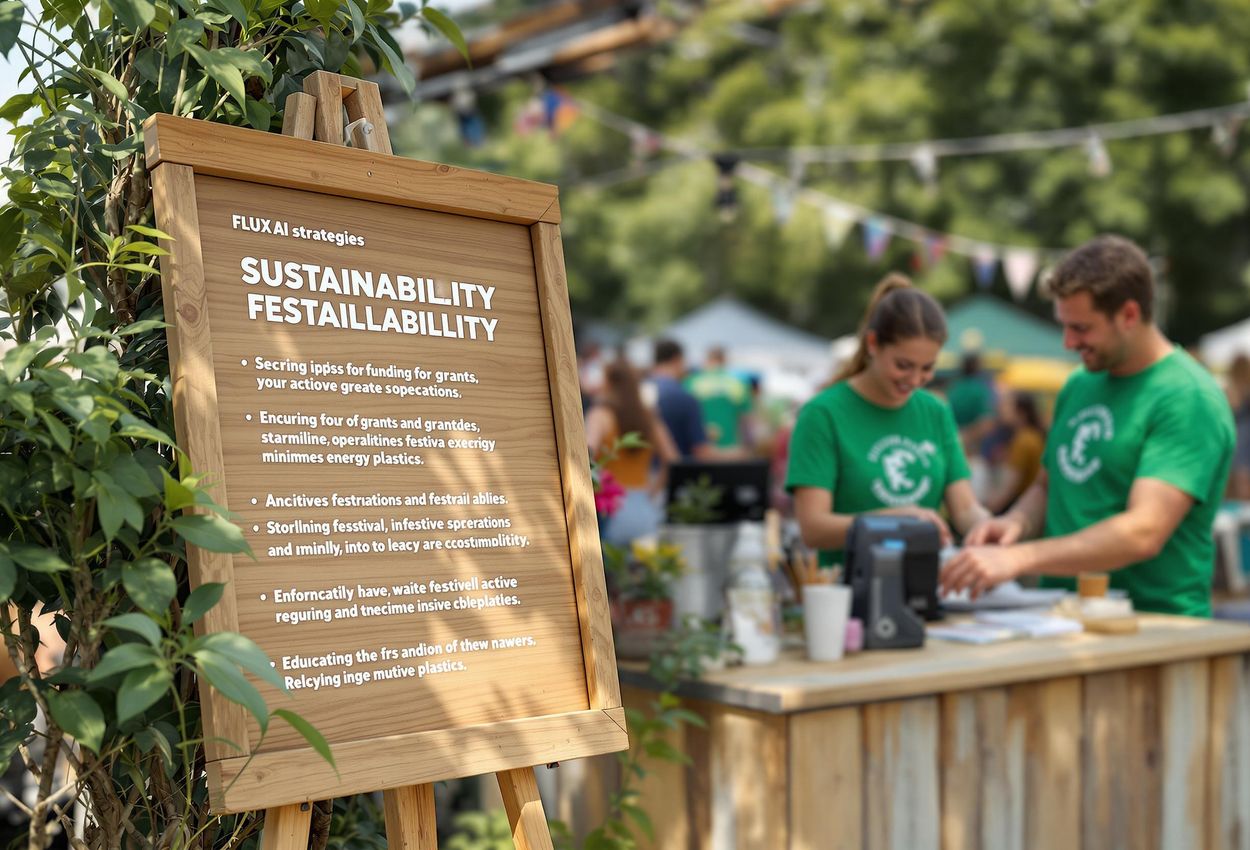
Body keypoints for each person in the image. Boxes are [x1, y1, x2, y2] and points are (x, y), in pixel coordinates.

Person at [942, 235, 1235, 617]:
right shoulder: (1080, 383)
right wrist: (1014, 522)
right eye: (1064, 326)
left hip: (1154, 630)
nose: (1067, 342)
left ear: (1129, 315)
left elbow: (1143, 532)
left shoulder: (1187, 397)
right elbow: (1050, 486)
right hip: (1060, 617)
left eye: (1081, 328)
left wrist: (1020, 557)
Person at [786, 273, 989, 563]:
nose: (916, 379)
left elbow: (965, 508)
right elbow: (814, 528)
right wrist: (891, 520)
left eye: (927, 368)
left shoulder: (936, 410)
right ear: (873, 344)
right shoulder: (823, 414)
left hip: (924, 586)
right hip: (846, 596)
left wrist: (988, 529)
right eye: (903, 365)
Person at [586, 356, 679, 546]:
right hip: (643, 505)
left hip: (610, 506)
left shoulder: (600, 415)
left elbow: (587, 455)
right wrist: (653, 491)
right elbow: (672, 459)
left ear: (608, 382)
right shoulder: (648, 416)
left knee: (609, 571)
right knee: (639, 572)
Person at [649, 338, 712, 460]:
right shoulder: (685, 398)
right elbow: (702, 451)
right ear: (676, 359)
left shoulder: (638, 392)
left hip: (636, 474)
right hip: (673, 473)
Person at [985, 391, 1046, 513]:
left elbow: (1008, 488)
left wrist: (987, 510)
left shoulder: (1024, 441)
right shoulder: (1032, 436)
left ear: (1021, 412)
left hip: (1023, 506)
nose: (1001, 409)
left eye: (1007, 405)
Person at [685, 346, 751, 451]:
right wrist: (748, 446)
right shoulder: (737, 384)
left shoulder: (691, 383)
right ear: (724, 360)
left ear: (706, 360)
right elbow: (746, 419)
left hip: (700, 446)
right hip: (730, 445)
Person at [1224, 353, 1250, 500]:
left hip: (1238, 433)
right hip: (1243, 432)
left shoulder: (1230, 388)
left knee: (1240, 474)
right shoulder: (1240, 387)